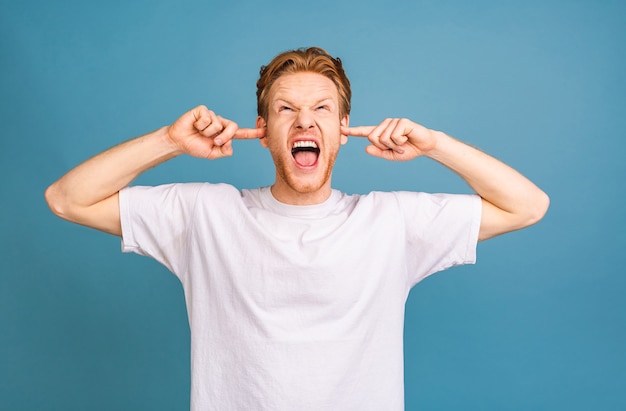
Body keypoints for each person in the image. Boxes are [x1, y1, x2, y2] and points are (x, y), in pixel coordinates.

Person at [45, 46, 549, 410]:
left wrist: (435, 143)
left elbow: (527, 206)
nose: (304, 122)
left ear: (343, 131)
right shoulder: (205, 215)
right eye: (286, 109)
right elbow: (66, 199)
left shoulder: (392, 221)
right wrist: (169, 142)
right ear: (263, 133)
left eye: (321, 110)